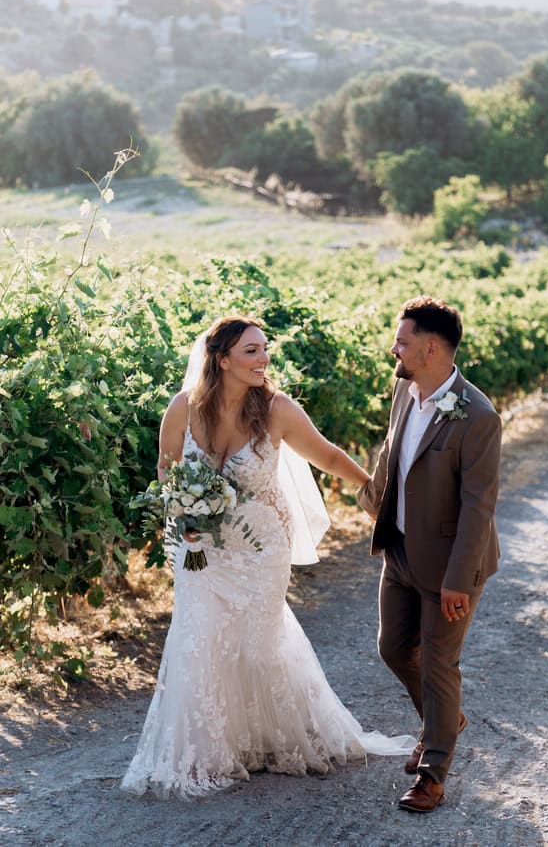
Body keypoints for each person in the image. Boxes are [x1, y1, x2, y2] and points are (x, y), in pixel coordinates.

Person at [122, 315, 415, 798]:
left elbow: (328, 455)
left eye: (264, 349)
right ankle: (209, 752)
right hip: (200, 549)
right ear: (222, 359)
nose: (264, 359)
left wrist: (373, 490)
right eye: (252, 351)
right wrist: (182, 516)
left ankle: (267, 739)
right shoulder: (182, 408)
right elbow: (166, 473)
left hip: (261, 550)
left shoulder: (277, 409)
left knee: (257, 643)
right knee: (200, 638)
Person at [356, 295, 501, 813]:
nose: (393, 349)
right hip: (398, 552)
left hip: (449, 566)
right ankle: (446, 717)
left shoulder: (477, 416)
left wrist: (459, 579)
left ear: (432, 347)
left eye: (403, 341)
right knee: (392, 648)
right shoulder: (404, 390)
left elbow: (477, 507)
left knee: (439, 665)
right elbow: (391, 455)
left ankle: (432, 773)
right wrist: (369, 497)